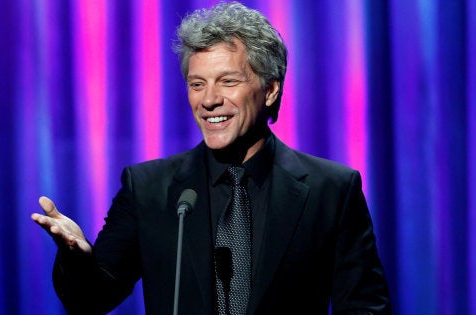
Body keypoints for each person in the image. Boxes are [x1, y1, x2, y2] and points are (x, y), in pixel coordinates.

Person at [31, 2, 390, 314]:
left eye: (228, 82)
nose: (209, 100)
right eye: (197, 83)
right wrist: (76, 257)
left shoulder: (332, 189)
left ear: (270, 90)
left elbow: (364, 306)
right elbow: (90, 300)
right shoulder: (148, 189)